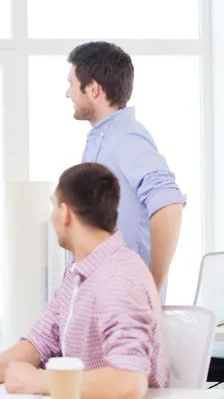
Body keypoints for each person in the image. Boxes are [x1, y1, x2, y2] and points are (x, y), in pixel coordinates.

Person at [0, 163, 170, 398]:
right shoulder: (79, 272)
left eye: (53, 206)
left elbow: (129, 382)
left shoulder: (118, 279)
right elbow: (41, 341)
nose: (52, 217)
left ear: (65, 213)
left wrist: (41, 381)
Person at [65, 41, 186, 297]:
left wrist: (152, 287)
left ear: (93, 89)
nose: (68, 94)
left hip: (125, 303)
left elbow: (169, 205)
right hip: (100, 298)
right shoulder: (102, 139)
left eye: (72, 84)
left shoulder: (127, 137)